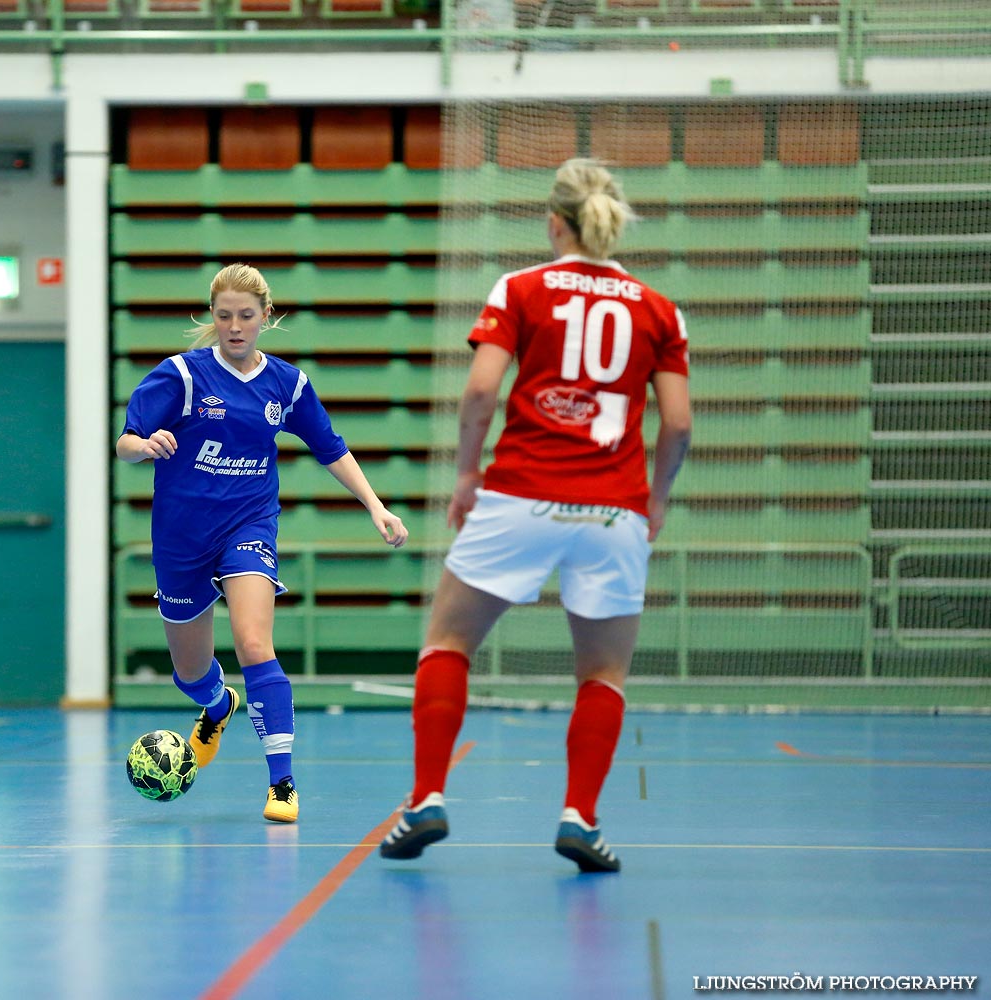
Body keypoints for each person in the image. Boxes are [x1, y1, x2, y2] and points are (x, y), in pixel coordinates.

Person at [378, 159, 691, 871]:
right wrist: (657, 501)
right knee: (603, 673)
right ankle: (580, 816)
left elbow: (481, 391)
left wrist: (466, 474)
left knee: (448, 642)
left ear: (555, 223)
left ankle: (427, 797)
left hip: (520, 493)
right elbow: (677, 425)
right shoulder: (659, 308)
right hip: (613, 510)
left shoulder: (521, 288)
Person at [117, 263, 408, 823]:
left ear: (266, 318)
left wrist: (375, 505)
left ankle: (283, 783)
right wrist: (144, 444)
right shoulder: (179, 376)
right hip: (180, 539)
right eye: (223, 316)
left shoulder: (287, 384)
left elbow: (331, 447)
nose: (233, 326)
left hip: (248, 527)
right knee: (190, 672)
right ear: (212, 316)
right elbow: (125, 442)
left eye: (245, 316)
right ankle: (216, 704)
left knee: (254, 643)